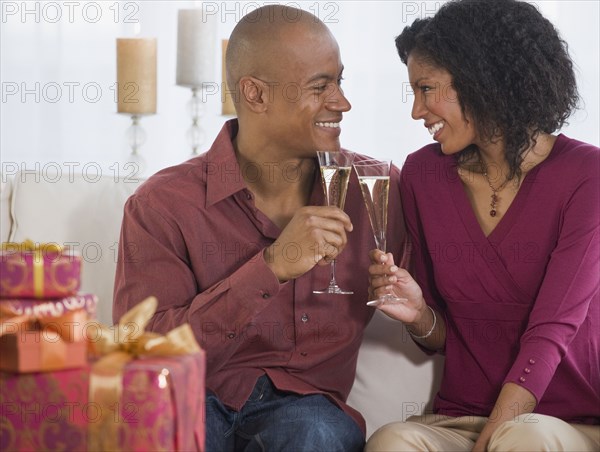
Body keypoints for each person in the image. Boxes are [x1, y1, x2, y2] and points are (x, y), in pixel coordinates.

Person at [113, 4, 407, 451]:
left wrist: (422, 317)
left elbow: (446, 312)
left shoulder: (375, 188)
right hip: (194, 398)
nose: (342, 102)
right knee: (162, 431)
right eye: (319, 86)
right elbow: (146, 354)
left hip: (308, 409)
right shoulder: (163, 203)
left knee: (313, 433)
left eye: (339, 81)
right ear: (255, 94)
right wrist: (270, 267)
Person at [365, 0, 599, 451]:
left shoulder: (587, 175)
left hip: (565, 424)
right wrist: (419, 316)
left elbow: (553, 327)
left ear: (482, 78)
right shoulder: (422, 176)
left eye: (427, 88)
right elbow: (444, 335)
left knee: (523, 438)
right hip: (463, 419)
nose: (417, 111)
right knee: (392, 440)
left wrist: (493, 440)